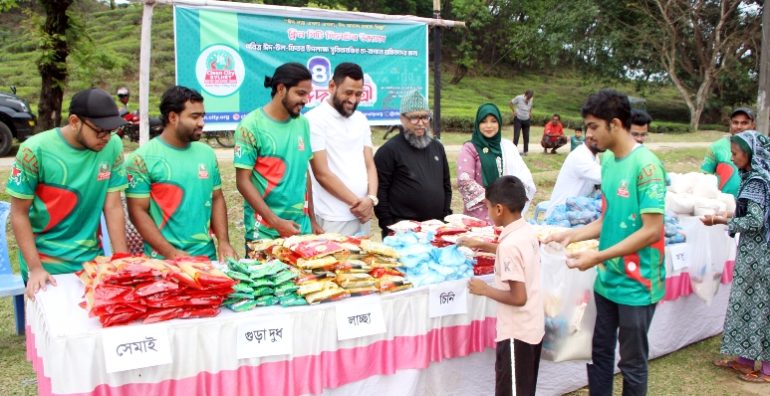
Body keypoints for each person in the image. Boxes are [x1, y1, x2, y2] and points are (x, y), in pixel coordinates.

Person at [543, 89, 667, 396]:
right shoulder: (609, 162)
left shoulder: (647, 167)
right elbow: (606, 219)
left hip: (637, 284)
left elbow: (652, 231)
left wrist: (596, 257)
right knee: (598, 353)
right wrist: (572, 234)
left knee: (632, 363)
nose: (589, 134)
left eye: (593, 126)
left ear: (614, 124)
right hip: (607, 279)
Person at [7, 88, 128, 299]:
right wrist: (35, 268)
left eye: (112, 130)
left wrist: (122, 260)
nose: (107, 137)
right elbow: (19, 214)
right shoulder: (34, 151)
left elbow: (113, 207)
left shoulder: (112, 146)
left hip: (91, 261)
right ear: (74, 121)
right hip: (45, 265)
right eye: (100, 130)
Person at [126, 86, 236, 261]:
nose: (202, 122)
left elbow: (216, 198)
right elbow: (137, 212)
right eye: (194, 116)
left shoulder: (206, 154)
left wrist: (223, 241)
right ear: (172, 117)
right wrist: (171, 253)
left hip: (207, 259)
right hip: (164, 263)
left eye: (203, 116)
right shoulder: (141, 159)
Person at [702, 130, 770, 383]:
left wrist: (722, 219)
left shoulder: (756, 181)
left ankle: (765, 370)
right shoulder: (754, 176)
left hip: (759, 254)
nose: (731, 158)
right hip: (754, 252)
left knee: (760, 307)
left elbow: (754, 221)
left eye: (735, 153)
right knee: (747, 303)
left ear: (749, 153)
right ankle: (744, 359)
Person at [468, 175, 543, 396]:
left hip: (516, 334)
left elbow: (519, 297)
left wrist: (485, 289)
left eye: (488, 207)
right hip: (532, 327)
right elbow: (514, 252)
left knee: (510, 390)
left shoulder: (511, 244)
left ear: (499, 209)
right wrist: (483, 245)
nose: (488, 212)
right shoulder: (526, 231)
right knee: (523, 388)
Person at [234, 63, 323, 246]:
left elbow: (303, 173)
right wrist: (276, 222)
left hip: (300, 230)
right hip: (264, 232)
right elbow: (243, 181)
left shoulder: (303, 124)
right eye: (300, 93)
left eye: (308, 94)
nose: (306, 100)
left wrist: (312, 220)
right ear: (281, 89)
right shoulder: (251, 125)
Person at [306, 63, 377, 236]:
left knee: (364, 262)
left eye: (358, 94)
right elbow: (321, 173)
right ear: (332, 86)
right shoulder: (314, 120)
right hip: (333, 217)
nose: (353, 99)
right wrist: (358, 204)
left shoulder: (361, 119)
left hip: (363, 215)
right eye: (348, 92)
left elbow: (370, 165)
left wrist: (371, 199)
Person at [374, 90, 451, 239]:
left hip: (435, 230)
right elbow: (380, 193)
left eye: (425, 117)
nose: (421, 122)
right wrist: (389, 226)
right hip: (402, 235)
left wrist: (444, 217)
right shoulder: (389, 151)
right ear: (402, 118)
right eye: (414, 118)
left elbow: (446, 185)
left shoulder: (437, 147)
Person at [457, 103, 536, 225]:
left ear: (499, 123)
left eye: (493, 121)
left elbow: (522, 178)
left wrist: (509, 199)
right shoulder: (470, 148)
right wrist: (494, 200)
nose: (489, 126)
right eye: (484, 121)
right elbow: (465, 181)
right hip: (479, 217)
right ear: (478, 124)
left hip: (506, 214)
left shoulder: (508, 147)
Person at [546, 128, 604, 218]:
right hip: (560, 216)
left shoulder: (594, 157)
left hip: (575, 212)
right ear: (589, 134)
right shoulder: (580, 156)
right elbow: (607, 177)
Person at [701, 107, 756, 197]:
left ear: (753, 125)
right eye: (735, 122)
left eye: (744, 123)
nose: (739, 127)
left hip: (755, 206)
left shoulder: (763, 148)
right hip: (725, 206)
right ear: (730, 124)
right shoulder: (716, 147)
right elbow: (705, 177)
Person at [509, 89, 533, 156]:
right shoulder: (519, 98)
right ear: (525, 95)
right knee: (516, 136)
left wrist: (530, 113)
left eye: (530, 97)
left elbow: (531, 106)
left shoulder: (531, 99)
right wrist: (513, 111)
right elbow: (510, 103)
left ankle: (525, 151)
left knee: (526, 136)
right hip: (518, 119)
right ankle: (513, 151)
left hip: (526, 119)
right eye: (528, 97)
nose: (529, 99)